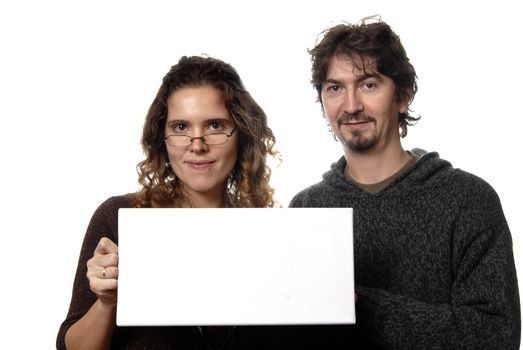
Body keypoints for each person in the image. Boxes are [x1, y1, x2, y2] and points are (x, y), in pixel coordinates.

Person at [289, 17, 521, 349]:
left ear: (403, 96)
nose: (351, 105)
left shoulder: (469, 200)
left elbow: (497, 336)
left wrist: (359, 307)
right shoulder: (305, 209)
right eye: (335, 87)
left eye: (369, 84)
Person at [56, 55, 279, 349]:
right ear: (162, 137)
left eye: (214, 125)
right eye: (181, 127)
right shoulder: (120, 217)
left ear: (242, 135)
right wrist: (107, 302)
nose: (197, 145)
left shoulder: (268, 234)